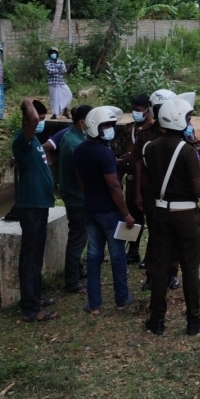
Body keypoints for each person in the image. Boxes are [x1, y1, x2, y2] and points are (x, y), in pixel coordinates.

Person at [143, 98, 200, 336]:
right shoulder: (187, 151)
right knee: (190, 268)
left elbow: (150, 182)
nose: (190, 122)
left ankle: (157, 319)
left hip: (160, 212)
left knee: (161, 267)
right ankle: (193, 319)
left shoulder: (150, 148)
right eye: (188, 118)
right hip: (186, 214)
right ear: (179, 119)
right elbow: (199, 190)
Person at [73, 107, 136, 314]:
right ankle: (121, 299)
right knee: (117, 254)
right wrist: (126, 213)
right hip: (109, 212)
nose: (109, 129)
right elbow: (114, 187)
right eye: (105, 126)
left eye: (110, 125)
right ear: (94, 127)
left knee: (93, 256)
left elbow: (81, 181)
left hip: (90, 210)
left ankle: (94, 304)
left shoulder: (79, 151)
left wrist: (91, 196)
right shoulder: (105, 153)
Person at [12, 98, 57, 322]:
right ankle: (30, 308)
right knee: (30, 257)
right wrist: (27, 101)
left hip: (40, 204)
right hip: (31, 205)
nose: (40, 122)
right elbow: (29, 117)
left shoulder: (35, 142)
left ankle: (35, 296)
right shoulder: (23, 139)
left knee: (36, 254)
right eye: (38, 119)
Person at [134, 89, 181, 292]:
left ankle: (172, 272)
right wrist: (137, 192)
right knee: (155, 233)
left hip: (176, 191)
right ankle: (152, 274)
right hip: (152, 191)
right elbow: (138, 164)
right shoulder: (146, 132)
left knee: (175, 233)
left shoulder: (181, 129)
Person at [45, 105, 92, 294]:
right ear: (82, 123)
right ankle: (72, 282)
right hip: (76, 198)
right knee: (77, 238)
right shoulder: (74, 143)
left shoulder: (74, 135)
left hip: (73, 195)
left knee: (80, 236)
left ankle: (78, 270)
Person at [121, 94, 153, 266]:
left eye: (139, 110)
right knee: (133, 216)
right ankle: (133, 250)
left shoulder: (153, 129)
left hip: (147, 181)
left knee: (151, 216)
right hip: (131, 180)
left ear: (147, 110)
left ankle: (151, 255)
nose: (135, 113)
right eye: (133, 110)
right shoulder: (130, 128)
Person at [45, 48, 72, 119]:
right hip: (52, 83)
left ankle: (65, 110)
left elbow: (64, 70)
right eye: (52, 53)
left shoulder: (61, 62)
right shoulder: (47, 62)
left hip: (61, 82)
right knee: (54, 99)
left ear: (57, 54)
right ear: (49, 55)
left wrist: (55, 70)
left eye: (55, 53)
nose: (54, 54)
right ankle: (55, 114)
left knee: (69, 95)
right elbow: (49, 71)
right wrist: (58, 70)